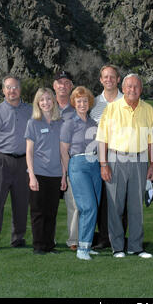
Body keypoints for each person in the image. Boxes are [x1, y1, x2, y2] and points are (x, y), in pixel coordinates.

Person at [96, 73, 153, 259]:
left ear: (141, 89)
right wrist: (103, 164)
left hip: (139, 160)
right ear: (123, 89)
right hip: (116, 160)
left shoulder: (148, 109)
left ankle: (136, 247)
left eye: (136, 86)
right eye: (129, 86)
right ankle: (118, 247)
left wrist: (152, 165)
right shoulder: (112, 108)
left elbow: (151, 141)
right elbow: (102, 139)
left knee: (136, 205)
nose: (132, 90)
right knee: (115, 206)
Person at [0, 75, 32, 251]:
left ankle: (18, 239)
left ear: (20, 89)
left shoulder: (31, 111)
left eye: (15, 87)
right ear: (3, 90)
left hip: (24, 162)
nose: (12, 90)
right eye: (8, 87)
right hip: (1, 161)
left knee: (21, 203)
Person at [61, 86, 102, 260]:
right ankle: (81, 249)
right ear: (74, 103)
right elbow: (63, 151)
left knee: (95, 206)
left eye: (85, 100)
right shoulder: (69, 123)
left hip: (95, 165)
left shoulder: (94, 124)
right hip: (77, 164)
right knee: (88, 206)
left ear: (90, 102)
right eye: (79, 101)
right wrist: (66, 173)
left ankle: (87, 244)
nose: (82, 104)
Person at [89, 64, 127, 250]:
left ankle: (120, 237)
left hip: (122, 157)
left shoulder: (127, 101)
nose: (109, 80)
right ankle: (104, 237)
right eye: (105, 77)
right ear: (101, 80)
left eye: (112, 76)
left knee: (122, 200)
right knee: (103, 200)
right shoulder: (94, 103)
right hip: (99, 158)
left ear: (118, 79)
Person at [25, 88, 66, 255]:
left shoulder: (60, 123)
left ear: (53, 102)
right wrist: (32, 176)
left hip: (56, 174)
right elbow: (29, 151)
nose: (45, 103)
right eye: (42, 100)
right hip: (39, 174)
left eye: (48, 99)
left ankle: (49, 245)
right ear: (37, 103)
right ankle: (39, 246)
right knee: (38, 212)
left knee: (51, 212)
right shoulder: (33, 123)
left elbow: (64, 152)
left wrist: (64, 175)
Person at [52, 70, 79, 251]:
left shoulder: (77, 109)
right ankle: (48, 239)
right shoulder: (45, 106)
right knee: (49, 206)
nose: (63, 85)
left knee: (74, 204)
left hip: (70, 163)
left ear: (71, 86)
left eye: (67, 82)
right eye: (59, 82)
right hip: (47, 165)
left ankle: (73, 240)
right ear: (54, 86)